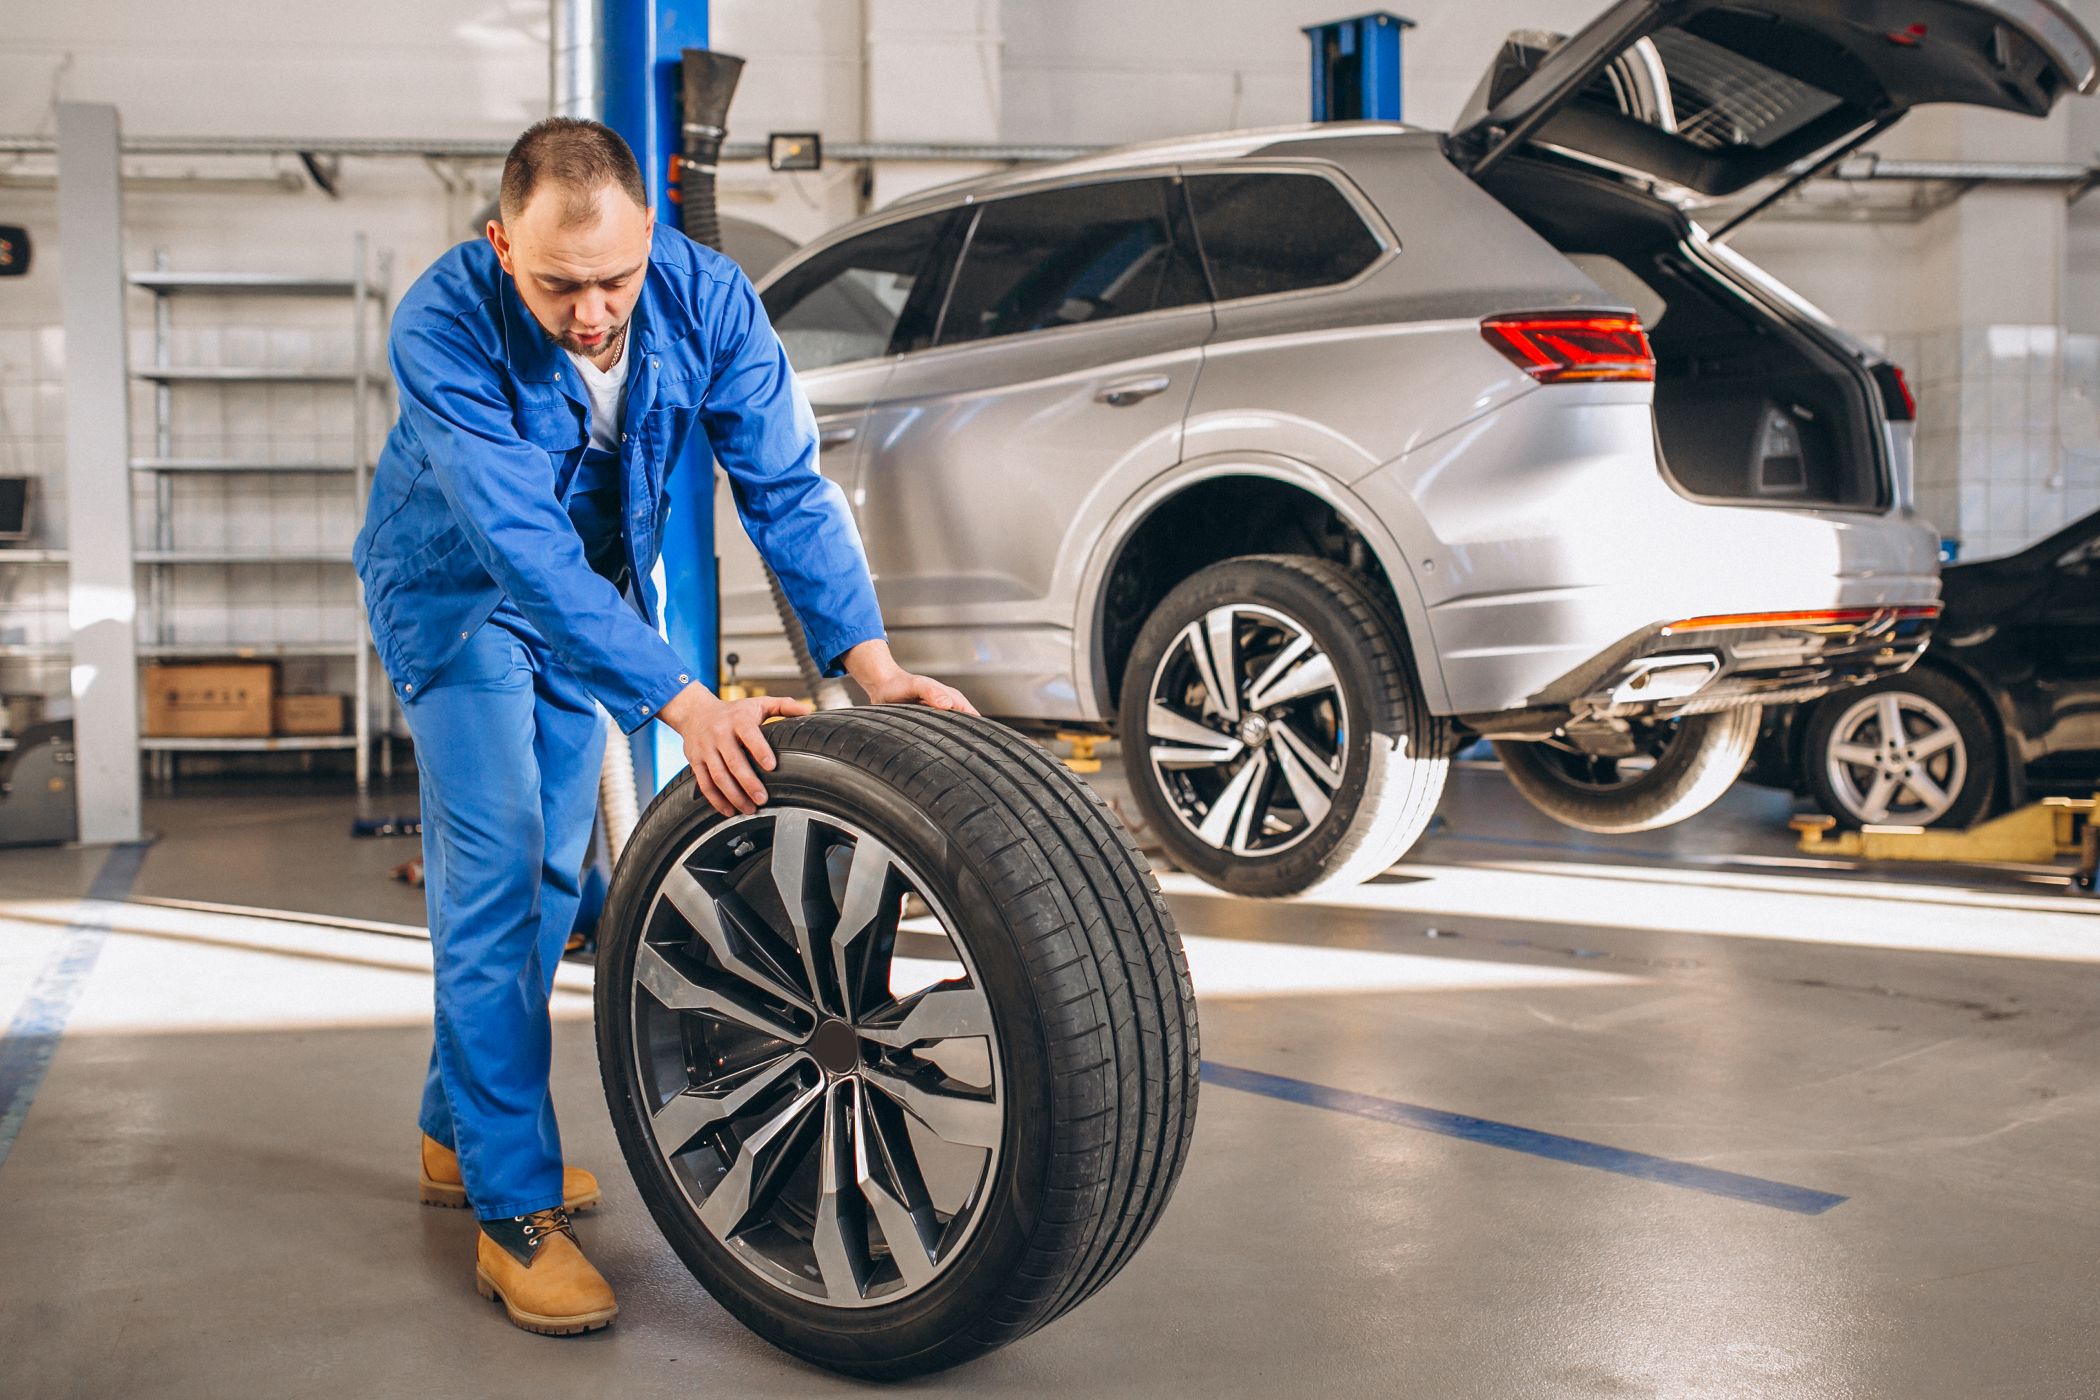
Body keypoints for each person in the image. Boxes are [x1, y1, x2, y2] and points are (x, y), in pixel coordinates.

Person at [352, 117, 976, 1336]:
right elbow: (519, 549)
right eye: (558, 285)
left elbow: (785, 483)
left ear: (650, 236)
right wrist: (684, 701)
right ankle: (513, 1211)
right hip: (462, 598)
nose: (592, 314)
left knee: (548, 875)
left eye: (614, 281)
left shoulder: (709, 297)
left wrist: (872, 663)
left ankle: (453, 1131)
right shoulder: (440, 324)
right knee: (498, 869)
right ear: (500, 245)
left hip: (592, 603)